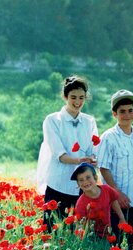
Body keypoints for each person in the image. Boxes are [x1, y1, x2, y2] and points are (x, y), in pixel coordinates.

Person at [36, 75, 98, 232]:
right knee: (51, 232)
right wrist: (79, 160)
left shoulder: (89, 121)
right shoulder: (52, 121)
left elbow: (94, 149)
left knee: (76, 234)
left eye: (81, 98)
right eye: (73, 97)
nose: (77, 102)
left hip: (82, 187)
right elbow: (60, 155)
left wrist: (93, 159)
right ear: (65, 96)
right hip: (58, 184)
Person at [96, 89, 133, 250]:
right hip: (116, 201)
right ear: (114, 114)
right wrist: (117, 193)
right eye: (122, 112)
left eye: (130, 111)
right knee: (114, 244)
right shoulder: (108, 137)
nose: (126, 115)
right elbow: (103, 168)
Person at [72, 162, 126, 238]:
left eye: (88, 177)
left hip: (109, 231)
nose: (85, 182)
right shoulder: (81, 204)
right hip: (92, 236)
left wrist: (122, 218)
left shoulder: (106, 189)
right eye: (81, 180)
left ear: (95, 178)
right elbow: (80, 224)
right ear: (78, 184)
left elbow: (114, 201)